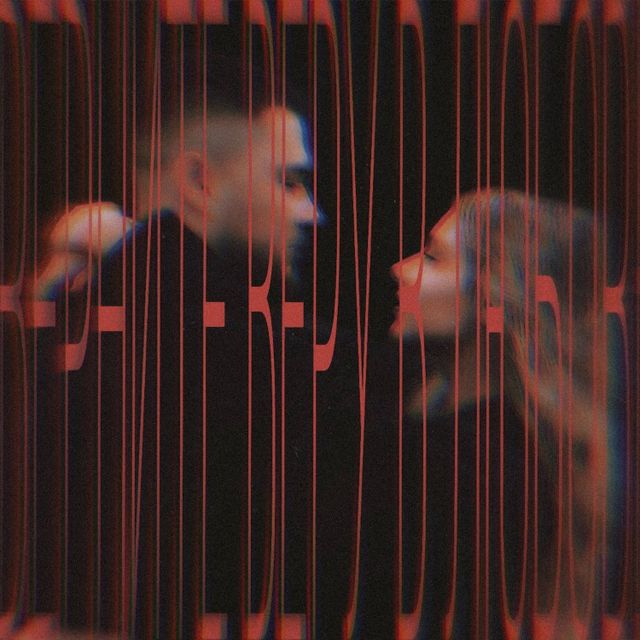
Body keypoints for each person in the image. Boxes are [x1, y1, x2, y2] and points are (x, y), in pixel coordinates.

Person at [390, 189, 618, 638]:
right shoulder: (451, 430)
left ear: (498, 293)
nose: (402, 268)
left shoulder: (484, 464)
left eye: (434, 258)